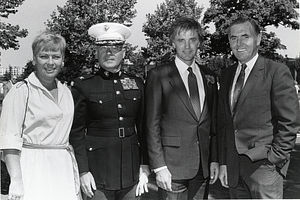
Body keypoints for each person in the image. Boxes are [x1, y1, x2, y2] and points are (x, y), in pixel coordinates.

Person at [217, 16, 300, 199]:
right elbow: (224, 123)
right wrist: (224, 162)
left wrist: (275, 158)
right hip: (233, 169)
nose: (239, 43)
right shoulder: (227, 75)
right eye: (233, 38)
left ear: (258, 39)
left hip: (264, 168)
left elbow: (290, 121)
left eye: (245, 36)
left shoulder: (276, 72)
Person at [69, 22, 149, 200]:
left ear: (124, 52)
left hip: (131, 170)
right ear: (96, 52)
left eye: (115, 47)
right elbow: (76, 132)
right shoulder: (84, 84)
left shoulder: (136, 83)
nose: (109, 53)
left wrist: (145, 165)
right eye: (103, 48)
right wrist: (83, 171)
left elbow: (144, 128)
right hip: (97, 171)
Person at [0, 31, 81, 200]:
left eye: (56, 57)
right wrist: (16, 180)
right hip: (32, 167)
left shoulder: (66, 91)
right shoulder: (22, 91)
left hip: (62, 168)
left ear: (62, 60)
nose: (50, 62)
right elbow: (9, 137)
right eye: (44, 56)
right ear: (34, 59)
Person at [145, 17, 219, 200]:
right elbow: (151, 125)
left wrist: (215, 159)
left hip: (202, 168)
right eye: (181, 40)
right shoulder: (159, 76)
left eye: (192, 40)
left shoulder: (209, 77)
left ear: (199, 42)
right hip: (172, 168)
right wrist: (159, 166)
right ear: (173, 43)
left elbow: (214, 124)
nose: (187, 46)